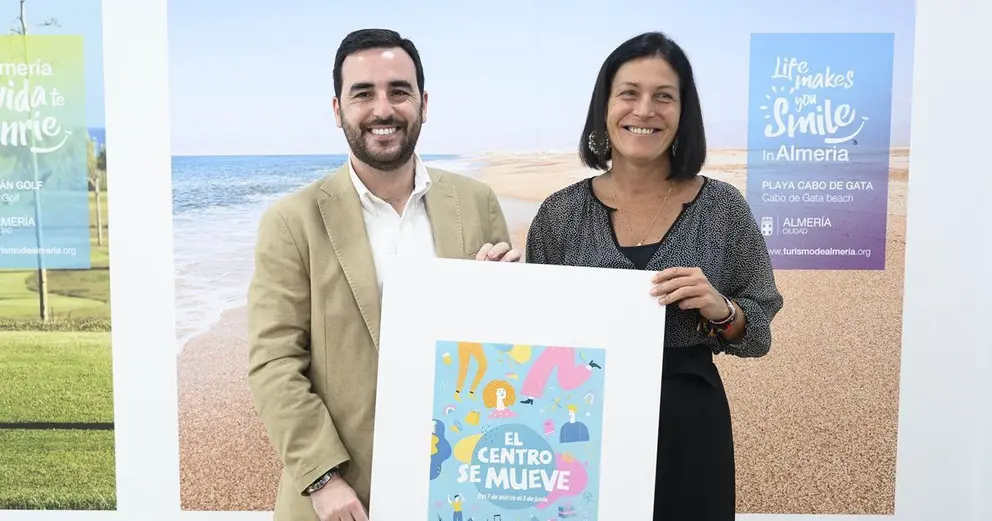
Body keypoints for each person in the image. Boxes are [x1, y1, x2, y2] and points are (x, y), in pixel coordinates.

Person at [247, 28, 521, 521]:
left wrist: (506, 298)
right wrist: (323, 479)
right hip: (343, 499)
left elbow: (504, 350)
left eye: (399, 91)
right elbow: (275, 362)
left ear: (423, 103)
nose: (383, 109)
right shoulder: (291, 221)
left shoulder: (477, 202)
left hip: (460, 484)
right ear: (338, 110)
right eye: (363, 93)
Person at [523, 31, 783, 520]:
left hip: (690, 426)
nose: (644, 110)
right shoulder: (560, 214)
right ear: (604, 106)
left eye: (664, 96)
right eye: (629, 93)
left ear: (684, 113)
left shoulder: (722, 208)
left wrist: (723, 310)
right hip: (583, 423)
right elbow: (531, 336)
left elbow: (758, 333)